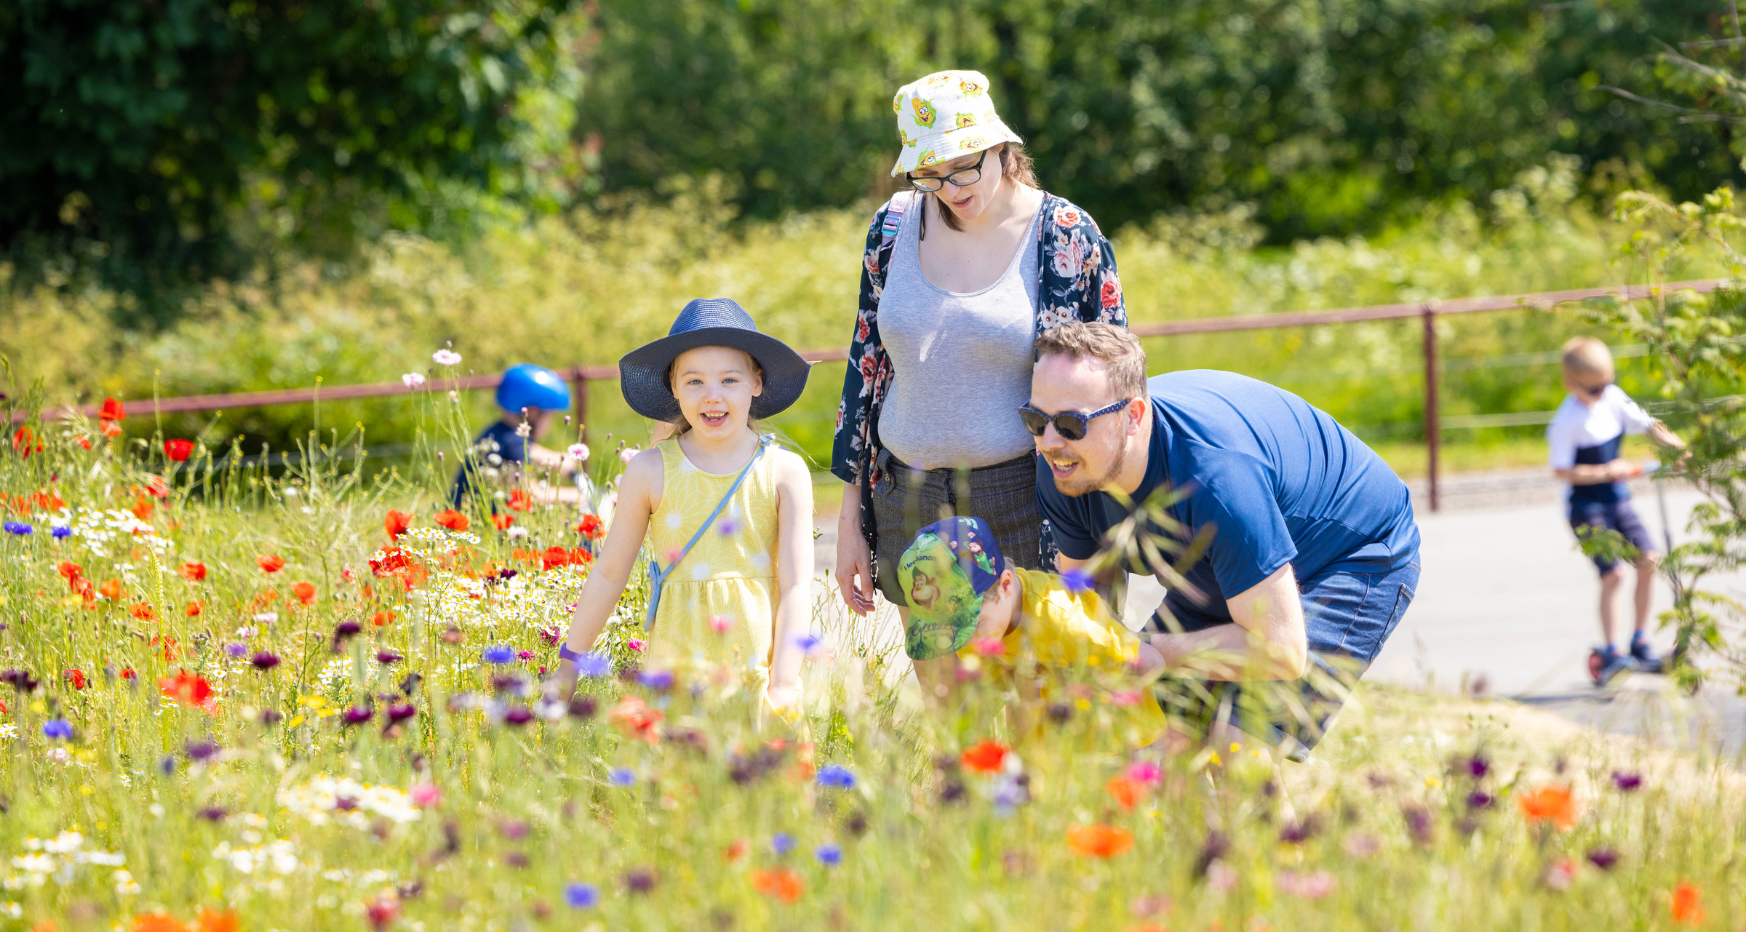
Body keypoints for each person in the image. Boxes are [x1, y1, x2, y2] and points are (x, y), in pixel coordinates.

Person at [832, 70, 1128, 698]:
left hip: (1026, 498)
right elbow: (866, 365)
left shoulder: (1064, 235)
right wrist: (852, 521)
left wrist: (1099, 527)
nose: (950, 188)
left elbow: (1110, 385)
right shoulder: (893, 228)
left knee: (1040, 697)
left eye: (964, 167)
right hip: (906, 492)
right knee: (949, 712)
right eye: (930, 174)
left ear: (1001, 148)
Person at [1027, 322, 1420, 759]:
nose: (1048, 442)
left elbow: (1281, 650)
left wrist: (1154, 652)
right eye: (1035, 419)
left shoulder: (1216, 478)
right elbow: (1087, 602)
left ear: (1133, 417)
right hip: (1233, 563)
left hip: (1349, 553)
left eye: (1070, 423)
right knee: (1156, 745)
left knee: (1236, 748)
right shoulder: (1065, 466)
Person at [550, 299, 815, 714]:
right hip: (674, 674)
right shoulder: (650, 469)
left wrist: (784, 681)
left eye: (729, 380)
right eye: (694, 382)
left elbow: (798, 584)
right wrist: (570, 662)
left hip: (756, 674)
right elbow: (609, 572)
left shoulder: (784, 471)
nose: (713, 396)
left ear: (756, 382)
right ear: (673, 386)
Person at [898, 516, 1167, 750]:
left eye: (971, 624)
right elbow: (987, 692)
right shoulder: (986, 627)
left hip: (1112, 750)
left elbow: (1151, 662)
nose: (966, 642)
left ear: (1005, 585)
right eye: (951, 630)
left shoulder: (1063, 619)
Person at [1546, 336, 1687, 685]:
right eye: (1592, 390)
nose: (1600, 394)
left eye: (1604, 386)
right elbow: (1562, 471)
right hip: (1585, 506)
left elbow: (1648, 424)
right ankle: (1611, 651)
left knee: (1649, 559)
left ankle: (1639, 641)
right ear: (1570, 384)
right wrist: (1607, 471)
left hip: (1616, 499)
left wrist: (1678, 446)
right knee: (1614, 575)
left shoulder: (1611, 398)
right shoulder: (1567, 421)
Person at [449, 364, 589, 507]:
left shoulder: (499, 433)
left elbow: (532, 450)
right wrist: (582, 496)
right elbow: (532, 495)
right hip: (475, 522)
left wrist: (558, 460)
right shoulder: (512, 444)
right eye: (549, 416)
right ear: (533, 412)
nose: (549, 424)